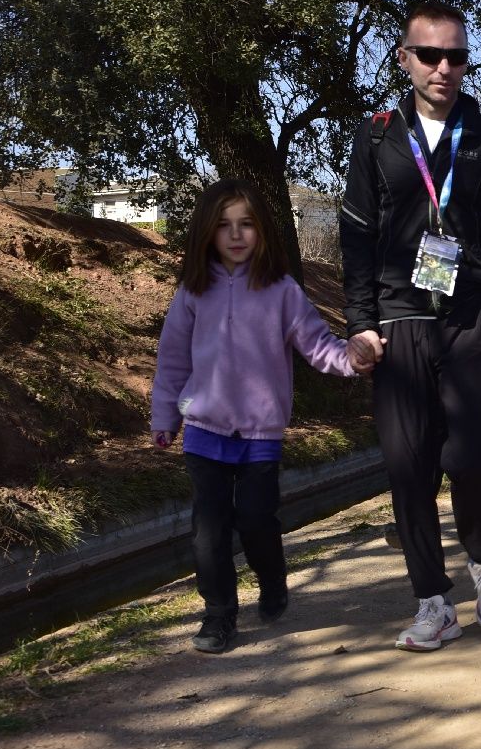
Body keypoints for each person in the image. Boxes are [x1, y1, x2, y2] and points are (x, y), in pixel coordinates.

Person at [339, 0, 481, 652]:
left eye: (456, 56)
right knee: (408, 466)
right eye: (430, 54)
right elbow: (356, 235)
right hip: (398, 321)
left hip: (471, 317)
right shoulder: (376, 136)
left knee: (474, 457)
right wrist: (360, 322)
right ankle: (432, 601)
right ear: (405, 58)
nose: (444, 67)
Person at [152, 179, 370, 653]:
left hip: (260, 436)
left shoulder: (282, 291)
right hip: (204, 431)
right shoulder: (192, 291)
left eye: (246, 224)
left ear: (263, 230)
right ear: (206, 232)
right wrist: (164, 417)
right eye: (224, 225)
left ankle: (272, 581)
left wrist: (353, 359)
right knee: (208, 533)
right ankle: (219, 615)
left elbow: (318, 346)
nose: (235, 235)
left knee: (255, 521)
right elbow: (172, 360)